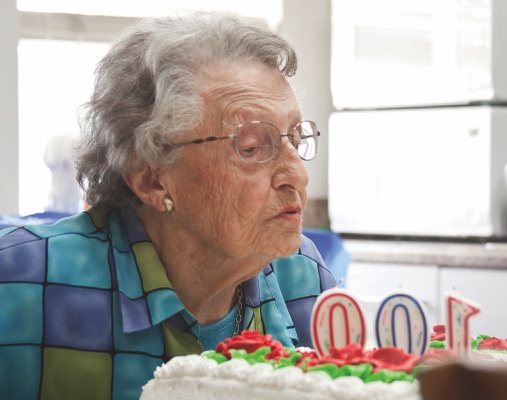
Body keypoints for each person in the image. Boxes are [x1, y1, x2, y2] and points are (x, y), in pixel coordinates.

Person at [0, 12, 336, 400]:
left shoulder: (304, 277)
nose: (297, 175)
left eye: (295, 138)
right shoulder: (18, 286)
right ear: (152, 179)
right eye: (251, 147)